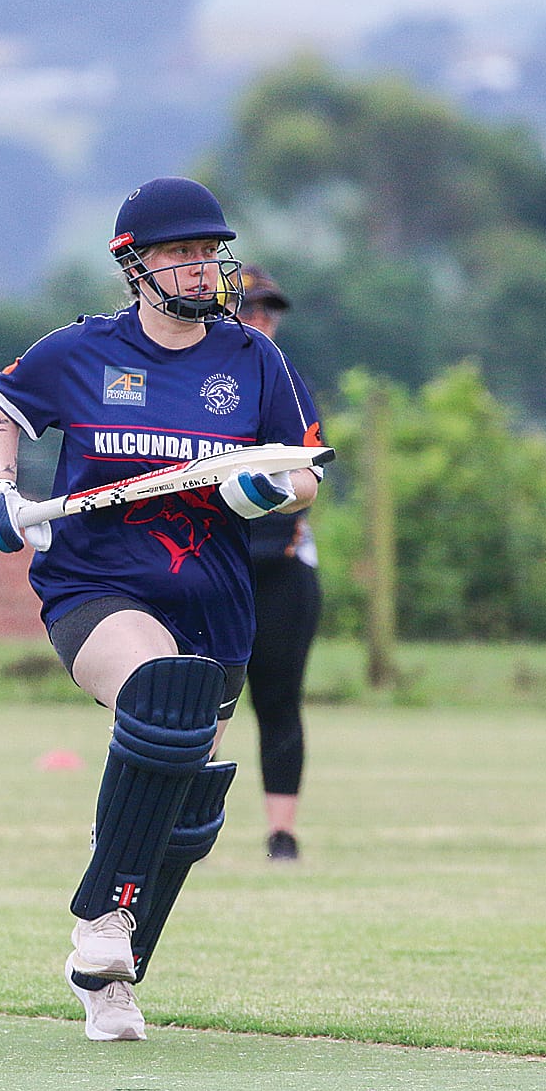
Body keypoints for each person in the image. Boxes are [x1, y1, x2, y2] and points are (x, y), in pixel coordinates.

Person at [0, 177, 323, 1041]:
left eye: (210, 255)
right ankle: (98, 917)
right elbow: (0, 404)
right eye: (183, 256)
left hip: (219, 603)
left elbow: (305, 469)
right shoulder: (78, 353)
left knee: (186, 807)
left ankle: (113, 979)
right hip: (96, 589)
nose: (203, 271)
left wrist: (267, 487)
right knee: (161, 693)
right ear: (134, 264)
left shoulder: (251, 359)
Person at [235, 265, 321, 862]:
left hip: (282, 564)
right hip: (209, 563)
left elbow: (305, 475)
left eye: (270, 311)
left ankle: (282, 835)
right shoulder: (196, 388)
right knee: (196, 703)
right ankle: (183, 829)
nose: (261, 320)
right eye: (249, 309)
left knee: (278, 698)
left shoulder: (289, 386)